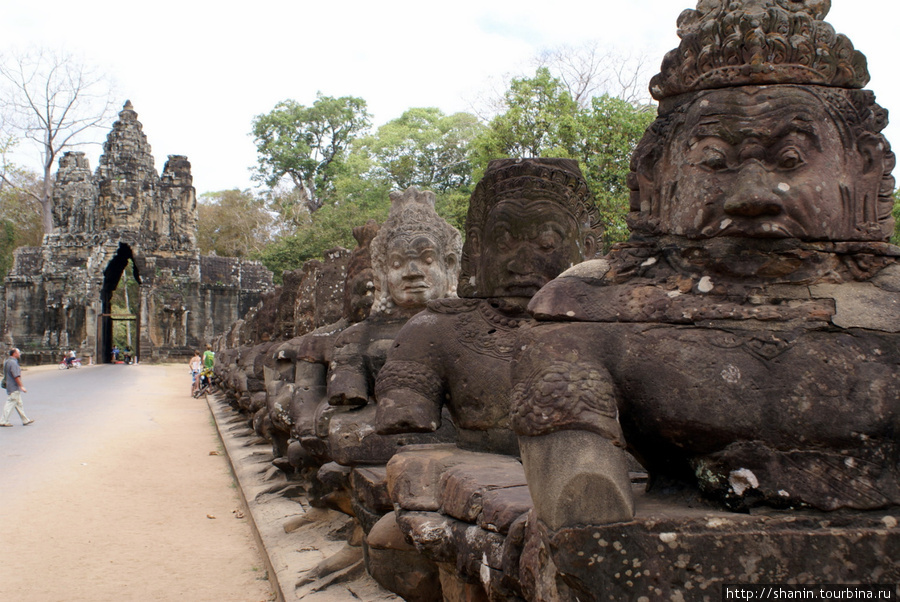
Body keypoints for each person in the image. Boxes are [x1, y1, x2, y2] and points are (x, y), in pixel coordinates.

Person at [1, 348, 33, 427]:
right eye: (18, 352)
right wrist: (21, 386)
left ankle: (25, 420)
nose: (19, 354)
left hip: (10, 385)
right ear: (14, 354)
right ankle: (3, 421)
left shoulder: (7, 362)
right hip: (13, 387)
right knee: (10, 403)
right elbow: (16, 376)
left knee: (19, 404)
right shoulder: (13, 363)